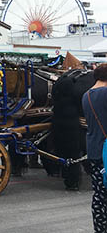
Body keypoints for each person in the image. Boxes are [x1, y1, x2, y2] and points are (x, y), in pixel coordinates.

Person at [82, 63, 107, 232]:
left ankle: (100, 227)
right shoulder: (105, 93)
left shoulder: (86, 95)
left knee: (99, 194)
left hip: (95, 150)